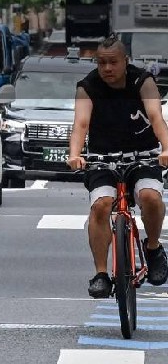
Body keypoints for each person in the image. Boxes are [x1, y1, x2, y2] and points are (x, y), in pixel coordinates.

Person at [67, 34, 168, 298]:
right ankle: (101, 274)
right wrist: (75, 154)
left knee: (150, 197)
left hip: (143, 156)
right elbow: (80, 124)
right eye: (101, 63)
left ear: (126, 61)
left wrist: (166, 149)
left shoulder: (142, 81)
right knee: (100, 206)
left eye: (113, 62)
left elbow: (156, 117)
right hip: (102, 158)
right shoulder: (87, 86)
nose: (107, 69)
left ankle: (154, 248)